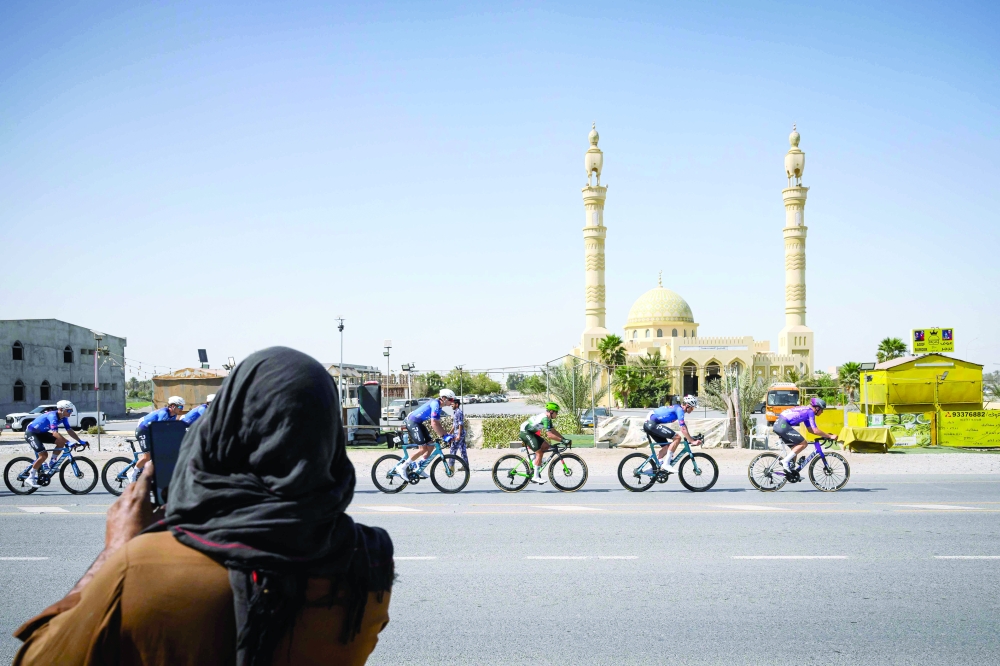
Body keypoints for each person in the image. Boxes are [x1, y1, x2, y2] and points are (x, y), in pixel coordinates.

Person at [13, 346, 394, 666]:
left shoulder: (140, 565)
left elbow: (36, 658)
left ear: (226, 427)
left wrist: (112, 554)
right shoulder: (366, 561)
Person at [23, 400, 87, 488]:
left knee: (60, 442)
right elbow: (55, 433)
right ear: (61, 409)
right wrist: (68, 442)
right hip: (31, 433)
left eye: (71, 410)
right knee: (43, 455)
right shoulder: (52, 416)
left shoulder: (64, 417)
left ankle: (52, 463)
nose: (71, 412)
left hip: (41, 433)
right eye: (68, 410)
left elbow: (69, 430)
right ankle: (30, 477)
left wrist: (80, 441)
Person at [397, 389, 458, 479]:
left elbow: (437, 424)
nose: (452, 402)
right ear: (444, 398)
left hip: (418, 423)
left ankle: (419, 465)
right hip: (412, 422)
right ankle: (402, 467)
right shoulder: (435, 404)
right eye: (451, 399)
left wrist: (446, 435)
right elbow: (434, 424)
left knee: (430, 445)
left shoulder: (439, 407)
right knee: (423, 448)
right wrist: (444, 436)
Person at [129, 395, 185, 483]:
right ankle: (132, 474)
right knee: (148, 456)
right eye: (180, 406)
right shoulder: (164, 413)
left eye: (182, 406)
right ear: (173, 406)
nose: (181, 409)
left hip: (150, 432)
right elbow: (158, 430)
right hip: (143, 431)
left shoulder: (173, 415)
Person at [773, 397, 838, 471]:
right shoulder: (810, 412)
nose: (822, 412)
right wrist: (830, 436)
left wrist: (825, 435)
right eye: (822, 409)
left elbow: (810, 430)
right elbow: (815, 430)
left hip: (779, 425)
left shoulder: (806, 411)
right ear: (817, 408)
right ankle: (785, 461)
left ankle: (792, 472)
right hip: (783, 426)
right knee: (803, 444)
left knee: (795, 447)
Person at [643, 395, 700, 472]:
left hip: (650, 424)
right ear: (687, 405)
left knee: (667, 447)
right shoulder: (679, 410)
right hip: (651, 424)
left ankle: (652, 467)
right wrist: (692, 441)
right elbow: (682, 429)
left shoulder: (678, 409)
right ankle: (666, 464)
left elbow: (684, 426)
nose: (692, 410)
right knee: (677, 438)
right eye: (692, 408)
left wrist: (691, 438)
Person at [519, 402, 569, 484]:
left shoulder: (548, 419)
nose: (557, 414)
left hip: (530, 433)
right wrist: (563, 441)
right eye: (557, 412)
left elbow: (553, 431)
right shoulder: (545, 419)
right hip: (525, 432)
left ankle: (534, 461)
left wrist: (564, 439)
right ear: (552, 411)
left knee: (546, 446)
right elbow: (549, 435)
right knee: (539, 453)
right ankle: (535, 477)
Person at [449, 396, 468, 466]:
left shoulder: (458, 412)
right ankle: (465, 466)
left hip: (459, 434)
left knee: (453, 449)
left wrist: (459, 435)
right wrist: (449, 433)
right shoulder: (455, 412)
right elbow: (454, 425)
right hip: (458, 433)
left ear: (457, 404)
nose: (451, 405)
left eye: (452, 404)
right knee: (463, 450)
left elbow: (460, 424)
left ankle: (450, 467)